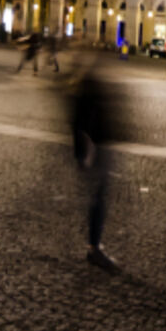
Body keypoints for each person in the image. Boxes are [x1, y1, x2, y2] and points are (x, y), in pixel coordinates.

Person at [67, 54, 122, 272]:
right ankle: (94, 248)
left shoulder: (88, 82)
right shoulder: (88, 84)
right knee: (98, 197)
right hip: (96, 148)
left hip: (98, 146)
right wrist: (82, 152)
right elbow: (79, 121)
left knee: (98, 195)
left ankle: (94, 245)